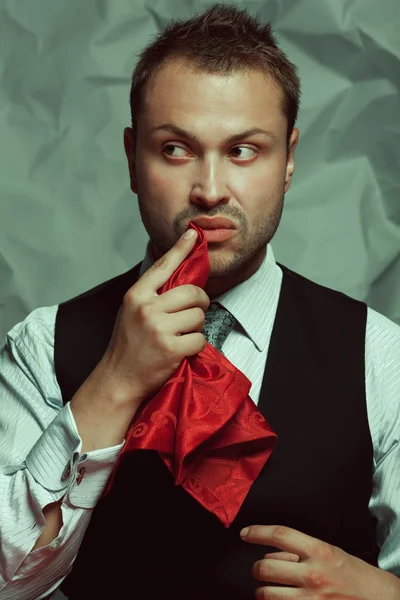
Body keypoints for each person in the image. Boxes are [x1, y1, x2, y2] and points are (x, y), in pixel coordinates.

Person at [0, 3, 399, 599]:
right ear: (134, 157)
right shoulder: (41, 344)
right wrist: (114, 380)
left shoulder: (379, 355)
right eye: (176, 149)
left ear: (289, 160)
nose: (210, 191)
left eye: (243, 151)